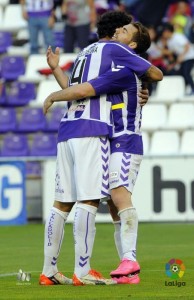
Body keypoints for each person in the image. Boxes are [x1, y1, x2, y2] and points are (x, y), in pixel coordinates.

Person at [40, 13, 163, 286]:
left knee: (62, 202)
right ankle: (83, 271)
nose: (121, 33)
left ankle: (48, 271)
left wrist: (57, 72)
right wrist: (145, 82)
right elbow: (153, 73)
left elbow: (77, 89)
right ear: (116, 31)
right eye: (121, 29)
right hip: (93, 130)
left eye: (126, 31)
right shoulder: (117, 52)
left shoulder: (86, 52)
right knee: (89, 199)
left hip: (68, 128)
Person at [161, 22, 194, 94]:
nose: (163, 35)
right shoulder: (169, 41)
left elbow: (187, 46)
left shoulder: (177, 36)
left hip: (189, 57)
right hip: (183, 59)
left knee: (186, 73)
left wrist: (182, 56)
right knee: (181, 73)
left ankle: (193, 88)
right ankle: (184, 90)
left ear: (167, 31)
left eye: (163, 32)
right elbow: (172, 53)